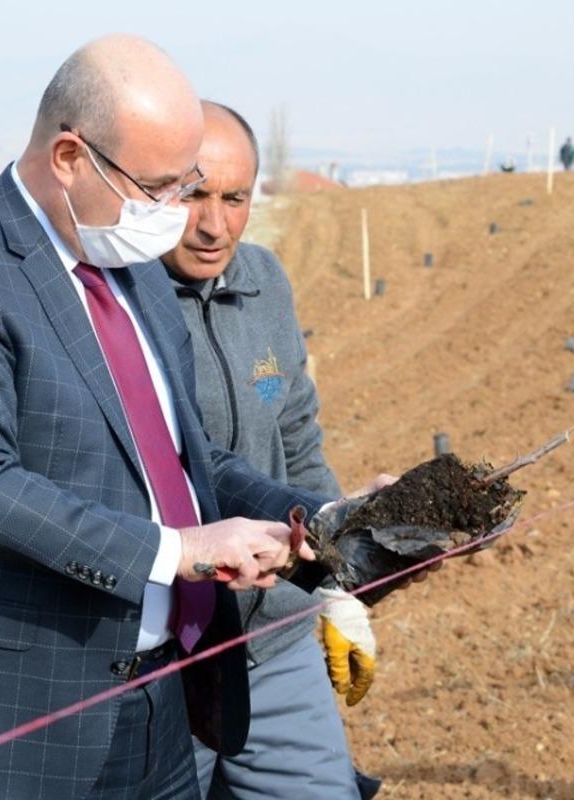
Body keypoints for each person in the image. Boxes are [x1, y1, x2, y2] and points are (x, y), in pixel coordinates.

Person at [0, 36, 349, 800]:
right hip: (11, 724)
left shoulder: (135, 276)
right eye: (159, 186)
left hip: (159, 713)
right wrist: (178, 551)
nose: (174, 213)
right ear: (68, 157)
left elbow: (190, 460)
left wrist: (327, 520)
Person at [162, 101, 383, 800]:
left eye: (235, 198)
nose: (214, 224)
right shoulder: (120, 302)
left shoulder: (265, 282)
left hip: (275, 635)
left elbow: (298, 440)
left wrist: (335, 587)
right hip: (168, 656)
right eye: (194, 194)